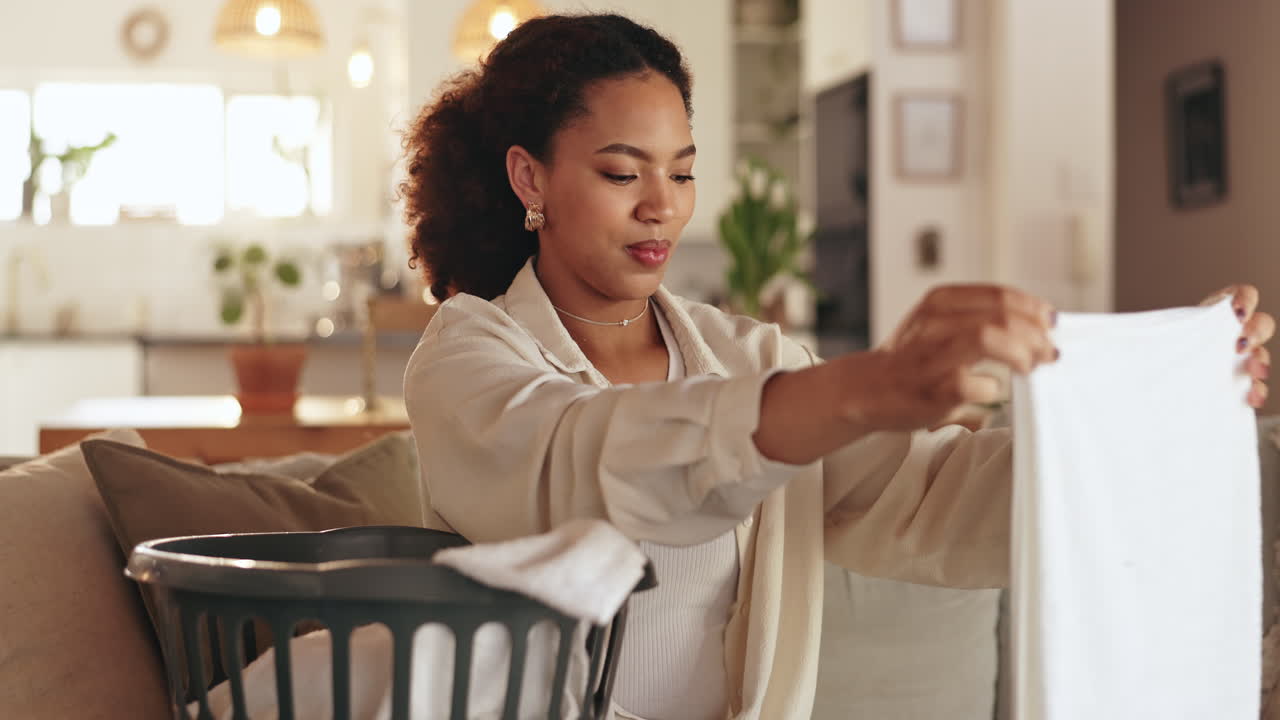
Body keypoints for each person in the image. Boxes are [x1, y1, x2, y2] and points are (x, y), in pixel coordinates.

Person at [399, 12, 1274, 720]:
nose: (663, 205)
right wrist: (872, 383)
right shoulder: (470, 354)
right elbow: (589, 462)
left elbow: (930, 493)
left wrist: (1170, 406)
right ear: (530, 178)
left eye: (684, 171)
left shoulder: (748, 357)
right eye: (623, 172)